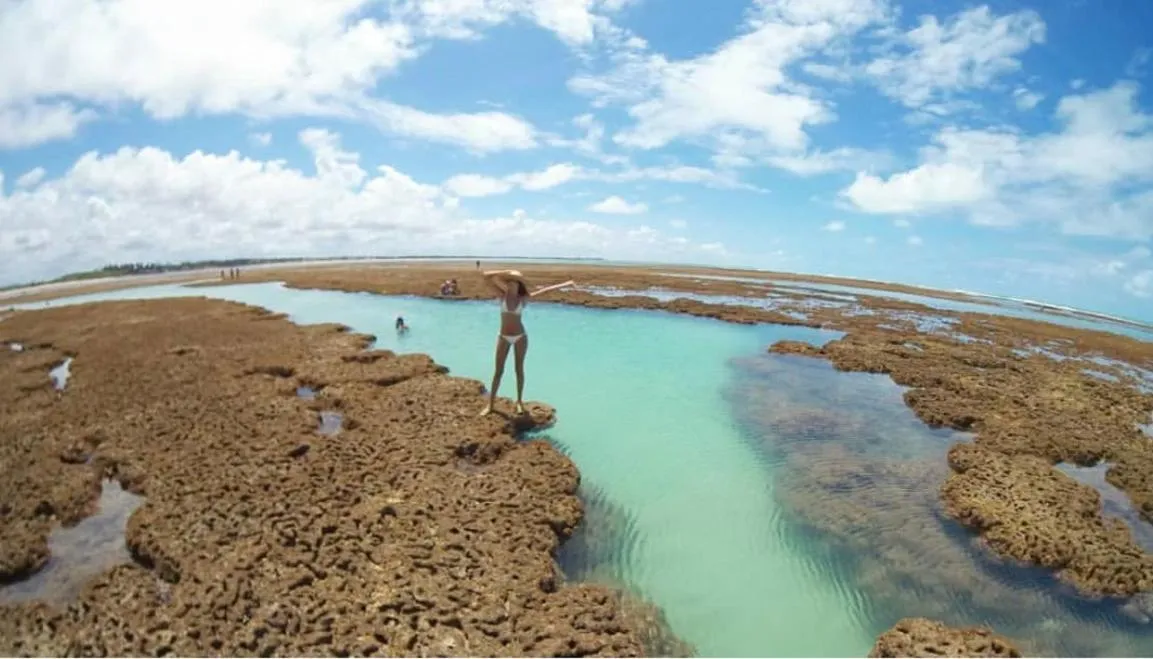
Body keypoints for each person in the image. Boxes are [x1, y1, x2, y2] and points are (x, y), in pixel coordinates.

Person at [479, 269, 575, 416]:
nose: (511, 285)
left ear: (519, 286)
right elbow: (486, 276)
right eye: (509, 282)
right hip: (503, 336)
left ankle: (519, 402)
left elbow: (545, 290)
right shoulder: (502, 296)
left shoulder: (523, 299)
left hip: (520, 336)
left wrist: (566, 284)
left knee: (519, 369)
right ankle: (491, 405)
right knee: (498, 371)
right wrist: (507, 272)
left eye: (514, 283)